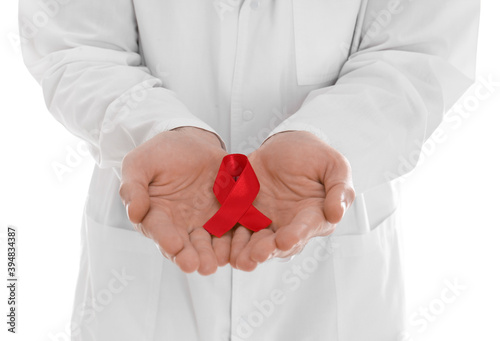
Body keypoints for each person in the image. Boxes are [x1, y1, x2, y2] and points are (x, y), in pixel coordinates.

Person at [19, 0, 480, 340]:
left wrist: (326, 137)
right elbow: (75, 41)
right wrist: (155, 127)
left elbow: (420, 50)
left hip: (332, 275)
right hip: (148, 260)